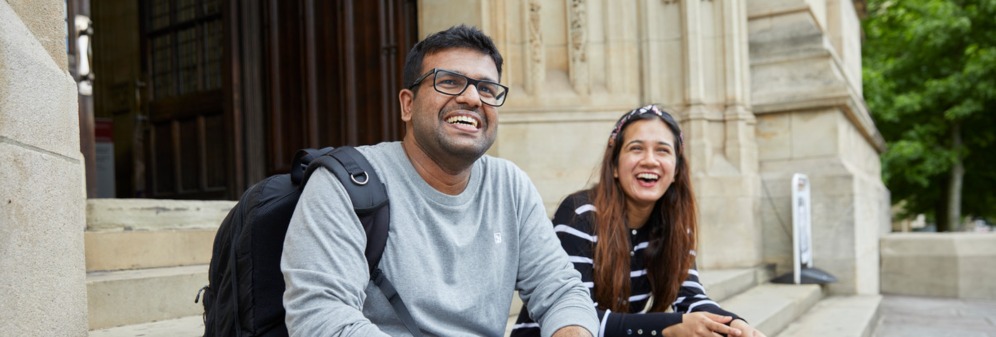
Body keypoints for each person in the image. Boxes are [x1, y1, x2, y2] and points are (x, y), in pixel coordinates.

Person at [280, 25, 599, 337]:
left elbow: (561, 290)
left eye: (487, 88)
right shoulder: (343, 185)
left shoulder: (510, 186)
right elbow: (320, 317)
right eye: (450, 82)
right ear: (408, 104)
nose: (473, 98)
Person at [510, 105, 766, 337]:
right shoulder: (581, 214)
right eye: (636, 148)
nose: (650, 160)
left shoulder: (674, 226)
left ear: (676, 170)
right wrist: (669, 326)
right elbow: (572, 317)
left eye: (663, 150)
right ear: (613, 165)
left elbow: (691, 298)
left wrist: (735, 325)